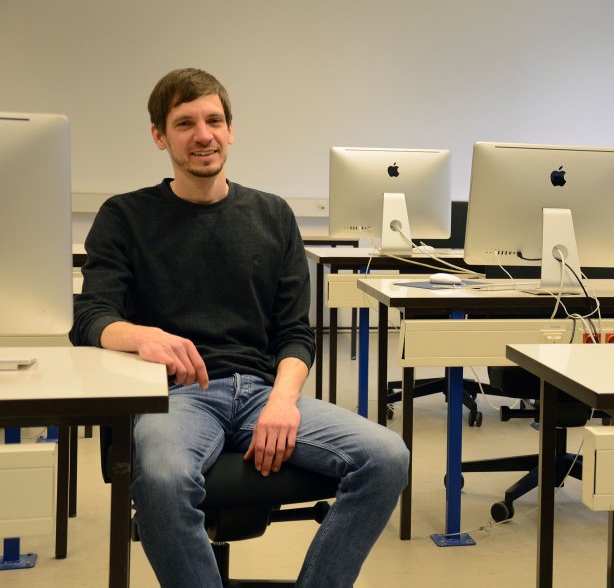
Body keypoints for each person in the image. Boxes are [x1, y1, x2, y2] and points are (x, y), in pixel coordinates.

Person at [70, 68, 409, 588]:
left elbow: (296, 331)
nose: (202, 134)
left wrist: (282, 400)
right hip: (174, 395)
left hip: (259, 392)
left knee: (387, 458)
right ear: (160, 136)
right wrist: (143, 336)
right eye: (185, 123)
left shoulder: (272, 215)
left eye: (214, 120)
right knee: (162, 479)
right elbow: (91, 317)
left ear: (230, 130)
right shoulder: (125, 216)